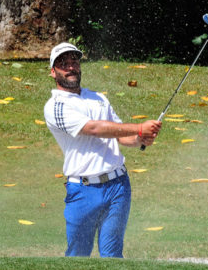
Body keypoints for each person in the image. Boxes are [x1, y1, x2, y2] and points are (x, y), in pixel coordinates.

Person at [44, 42, 162, 258]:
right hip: (83, 190)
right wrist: (138, 126)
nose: (70, 67)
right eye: (63, 64)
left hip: (118, 186)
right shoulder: (55, 106)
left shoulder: (98, 98)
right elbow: (94, 128)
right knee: (78, 256)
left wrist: (140, 139)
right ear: (53, 72)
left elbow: (119, 135)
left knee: (113, 255)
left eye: (74, 62)